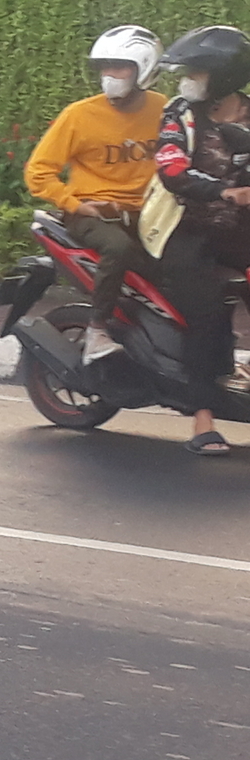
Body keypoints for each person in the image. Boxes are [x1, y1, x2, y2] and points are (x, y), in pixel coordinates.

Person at [24, 26, 167, 364]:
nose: (109, 75)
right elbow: (38, 172)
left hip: (149, 214)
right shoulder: (79, 115)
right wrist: (76, 204)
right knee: (118, 248)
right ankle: (97, 330)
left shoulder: (164, 109)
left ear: (144, 69)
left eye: (119, 67)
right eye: (105, 67)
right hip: (91, 215)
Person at [150, 25, 250, 456]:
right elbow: (170, 170)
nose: (187, 79)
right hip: (184, 228)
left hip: (239, 228)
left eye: (196, 71)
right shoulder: (180, 114)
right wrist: (223, 190)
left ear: (226, 77)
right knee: (206, 313)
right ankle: (203, 421)